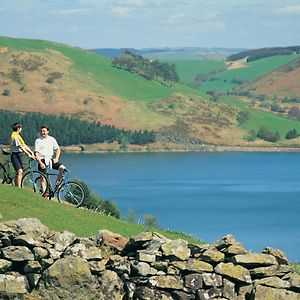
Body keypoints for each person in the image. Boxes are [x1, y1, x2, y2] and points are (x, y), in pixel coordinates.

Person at [34, 124, 66, 196]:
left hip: (50, 159)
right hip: (41, 159)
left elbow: (57, 149)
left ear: (48, 131)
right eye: (41, 131)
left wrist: (56, 158)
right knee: (43, 178)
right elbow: (36, 153)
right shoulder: (38, 140)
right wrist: (40, 163)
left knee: (63, 169)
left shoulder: (52, 139)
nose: (43, 133)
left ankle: (56, 186)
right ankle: (45, 194)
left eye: (44, 131)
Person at [10, 122, 35, 187]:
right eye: (21, 128)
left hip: (19, 154)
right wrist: (28, 154)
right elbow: (20, 146)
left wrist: (31, 152)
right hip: (16, 155)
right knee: (20, 171)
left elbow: (24, 145)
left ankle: (16, 186)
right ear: (18, 128)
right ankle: (18, 187)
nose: (21, 129)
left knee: (19, 172)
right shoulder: (15, 136)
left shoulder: (18, 136)